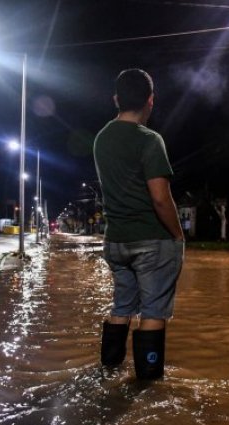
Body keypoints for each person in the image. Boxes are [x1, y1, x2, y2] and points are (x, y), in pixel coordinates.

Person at [93, 68, 185, 380]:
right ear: (150, 100)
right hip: (151, 241)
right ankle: (147, 386)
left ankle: (108, 372)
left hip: (115, 241)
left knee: (121, 307)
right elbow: (160, 198)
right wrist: (178, 235)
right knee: (153, 311)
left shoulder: (101, 139)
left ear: (116, 99)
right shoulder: (149, 140)